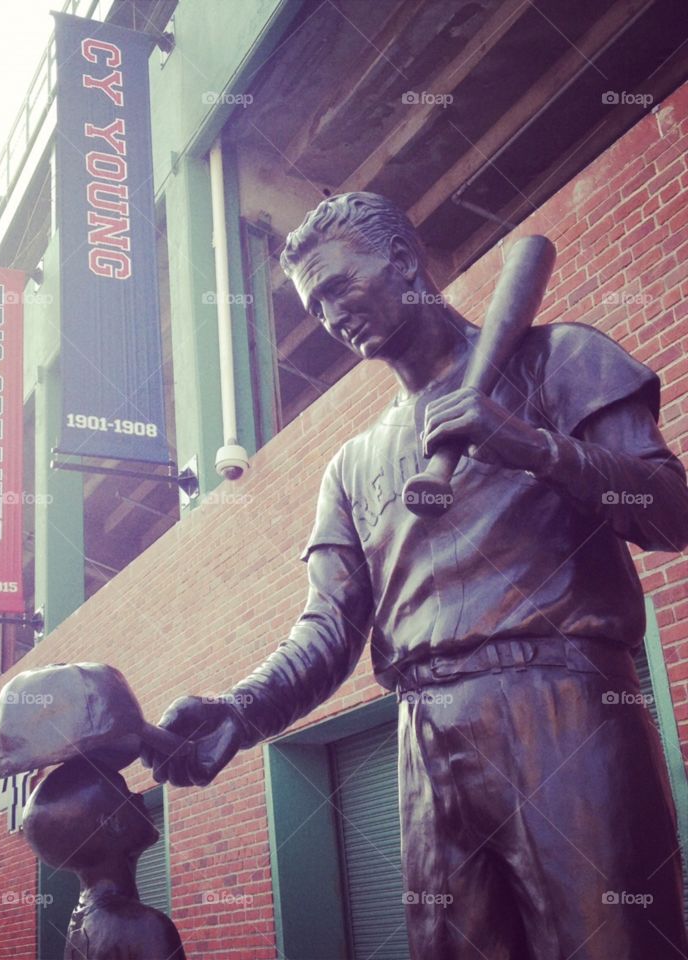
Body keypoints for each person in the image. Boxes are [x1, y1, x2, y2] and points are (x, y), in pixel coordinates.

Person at [141, 192, 688, 958]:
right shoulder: (354, 465)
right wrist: (241, 710)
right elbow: (329, 628)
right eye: (314, 303)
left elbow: (670, 512)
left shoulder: (558, 358)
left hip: (561, 706)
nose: (330, 315)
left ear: (403, 261)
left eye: (337, 287)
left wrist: (534, 447)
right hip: (424, 737)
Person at [22, 758, 185, 960]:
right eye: (126, 794)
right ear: (113, 823)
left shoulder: (79, 922)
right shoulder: (146, 927)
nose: (138, 797)